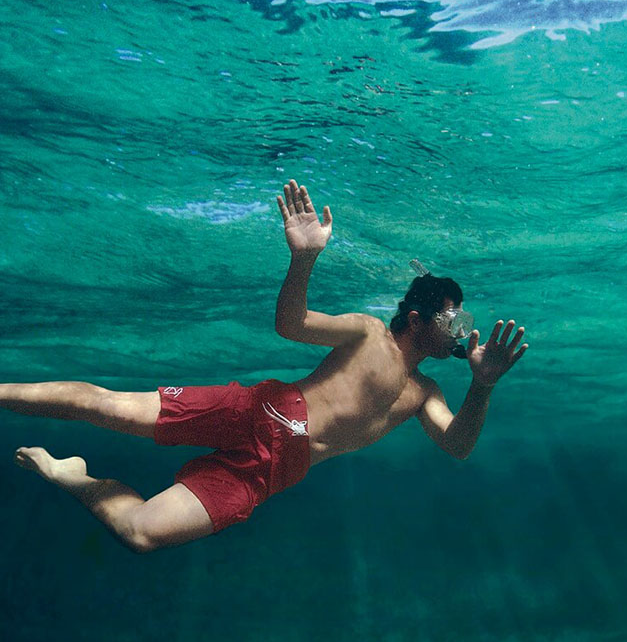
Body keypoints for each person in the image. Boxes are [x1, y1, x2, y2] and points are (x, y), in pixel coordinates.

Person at [1, 180, 527, 552]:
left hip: (274, 470)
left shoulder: (426, 392)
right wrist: (303, 259)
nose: (462, 333)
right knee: (104, 406)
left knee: (140, 533)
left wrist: (482, 386)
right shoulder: (368, 332)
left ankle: (69, 475)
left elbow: (458, 446)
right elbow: (291, 324)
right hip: (259, 412)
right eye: (454, 320)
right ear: (417, 319)